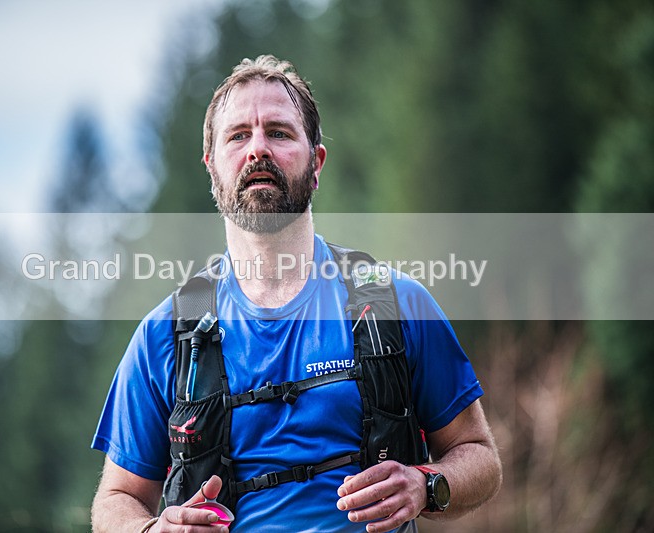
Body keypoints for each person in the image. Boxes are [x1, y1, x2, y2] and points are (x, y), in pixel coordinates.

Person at [91, 55, 501, 533]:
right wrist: (151, 530)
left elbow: (481, 458)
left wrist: (426, 484)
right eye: (239, 135)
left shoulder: (395, 302)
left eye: (280, 133)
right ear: (212, 166)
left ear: (316, 162)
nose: (257, 150)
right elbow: (116, 499)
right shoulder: (167, 332)